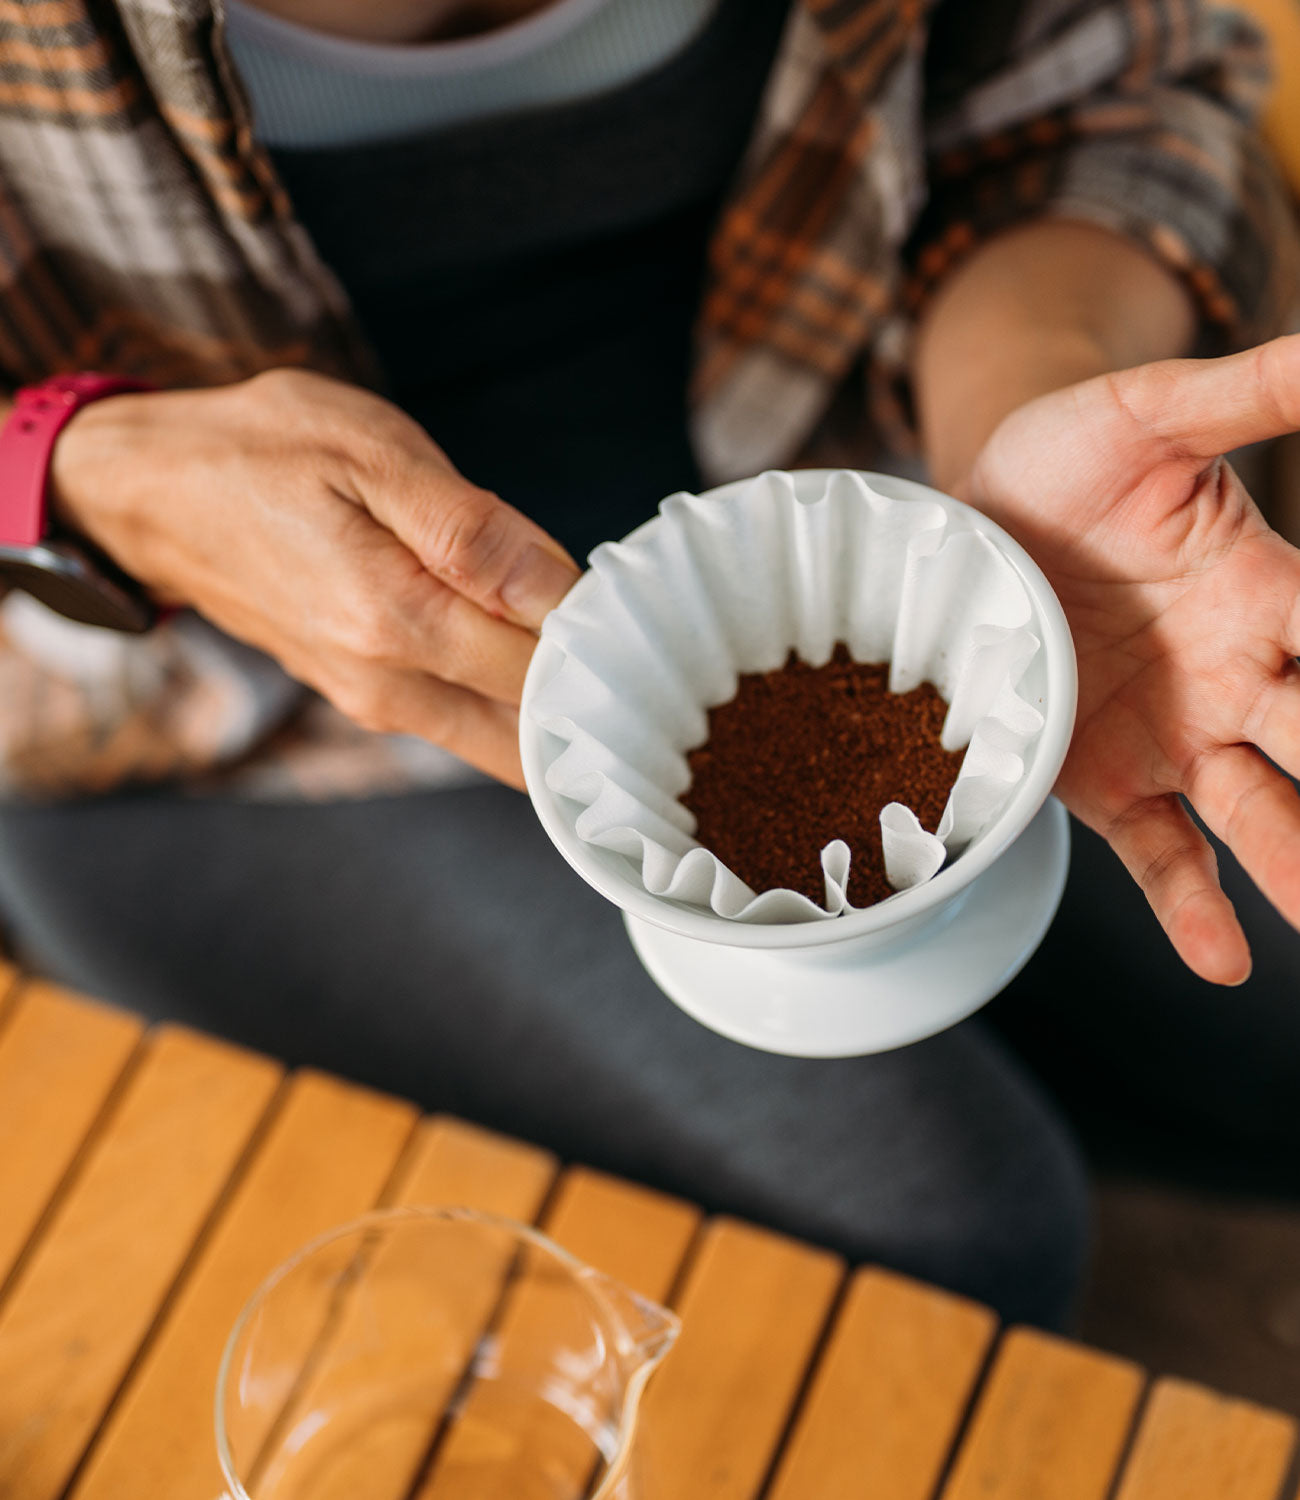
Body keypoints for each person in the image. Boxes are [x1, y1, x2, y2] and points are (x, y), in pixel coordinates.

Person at [0, 0, 1297, 1330]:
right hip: (223, 708)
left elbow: (1099, 92)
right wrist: (89, 476)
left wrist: (1022, 421)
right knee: (958, 1230)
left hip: (833, 455)